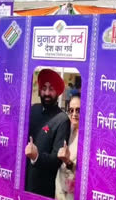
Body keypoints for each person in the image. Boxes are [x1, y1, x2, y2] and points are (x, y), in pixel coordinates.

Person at [25, 69, 71, 198]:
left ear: (58, 92)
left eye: (51, 89)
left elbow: (56, 160)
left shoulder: (62, 120)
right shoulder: (33, 109)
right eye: (44, 88)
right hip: (21, 181)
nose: (46, 93)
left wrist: (36, 157)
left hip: (42, 188)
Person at [55, 96, 80, 200]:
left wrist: (68, 162)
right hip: (59, 190)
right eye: (71, 110)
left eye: (78, 110)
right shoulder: (66, 129)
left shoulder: (88, 139)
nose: (74, 114)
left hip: (74, 193)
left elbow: (88, 174)